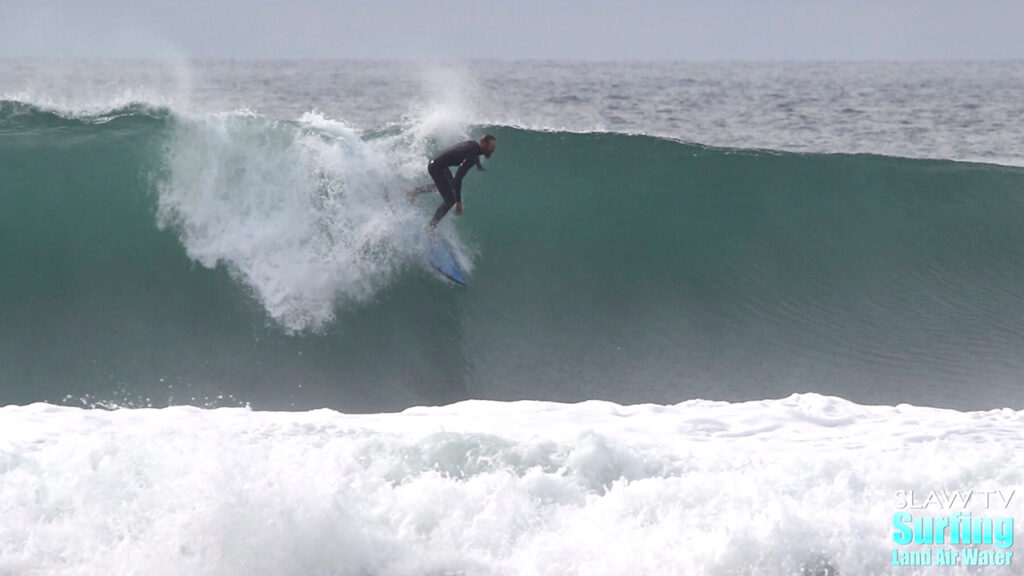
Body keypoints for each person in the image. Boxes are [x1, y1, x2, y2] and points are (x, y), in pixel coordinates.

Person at [410, 135, 497, 227]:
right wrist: (458, 202)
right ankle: (431, 227)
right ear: (483, 144)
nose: (493, 150)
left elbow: (474, 154)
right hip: (436, 167)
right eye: (492, 147)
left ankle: (414, 192)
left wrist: (478, 165)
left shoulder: (474, 145)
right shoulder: (472, 156)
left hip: (438, 164)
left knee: (446, 186)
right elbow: (458, 179)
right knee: (450, 200)